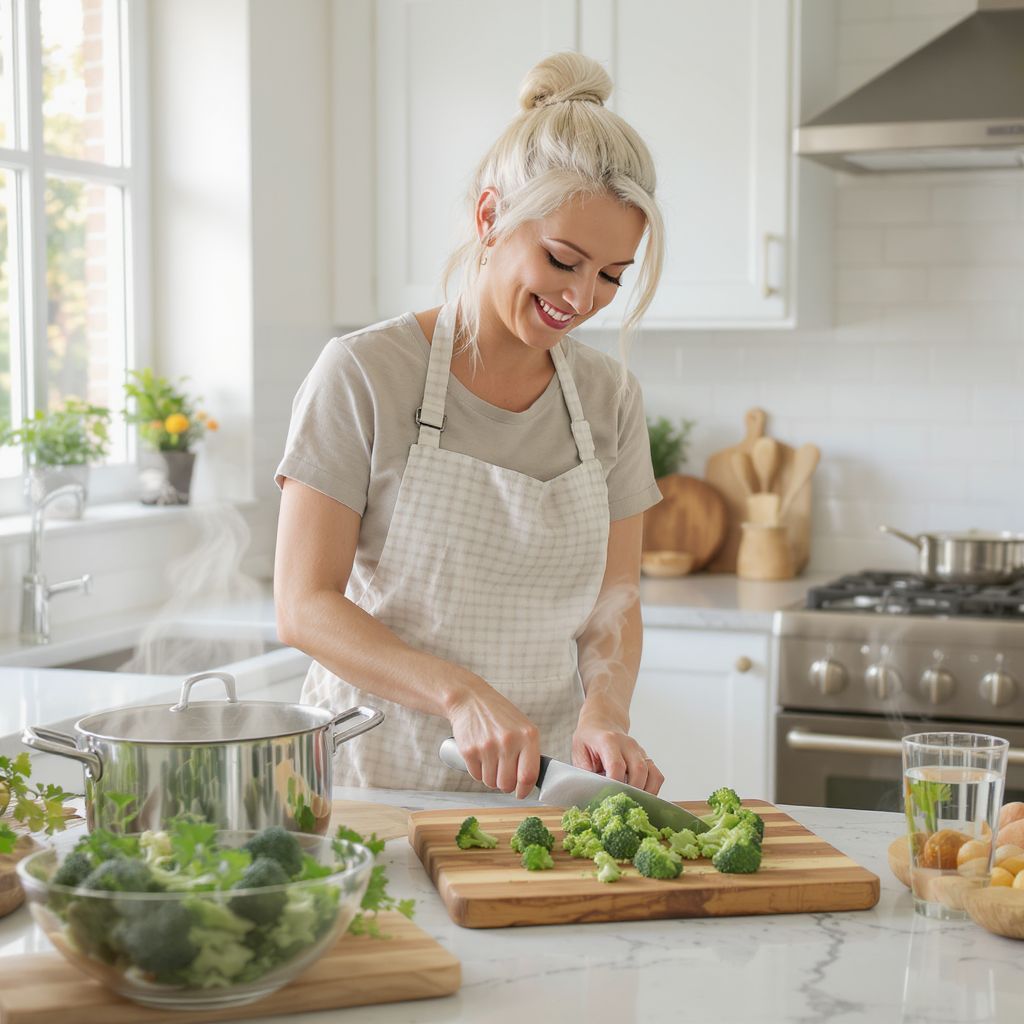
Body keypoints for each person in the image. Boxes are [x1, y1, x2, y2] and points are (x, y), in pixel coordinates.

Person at [274, 52, 667, 799]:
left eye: (613, 275)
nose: (583, 299)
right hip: (372, 785)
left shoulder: (610, 396)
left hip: (538, 793)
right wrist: (458, 692)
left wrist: (606, 709)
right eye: (563, 260)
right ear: (490, 218)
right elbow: (304, 605)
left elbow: (614, 602)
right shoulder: (364, 372)